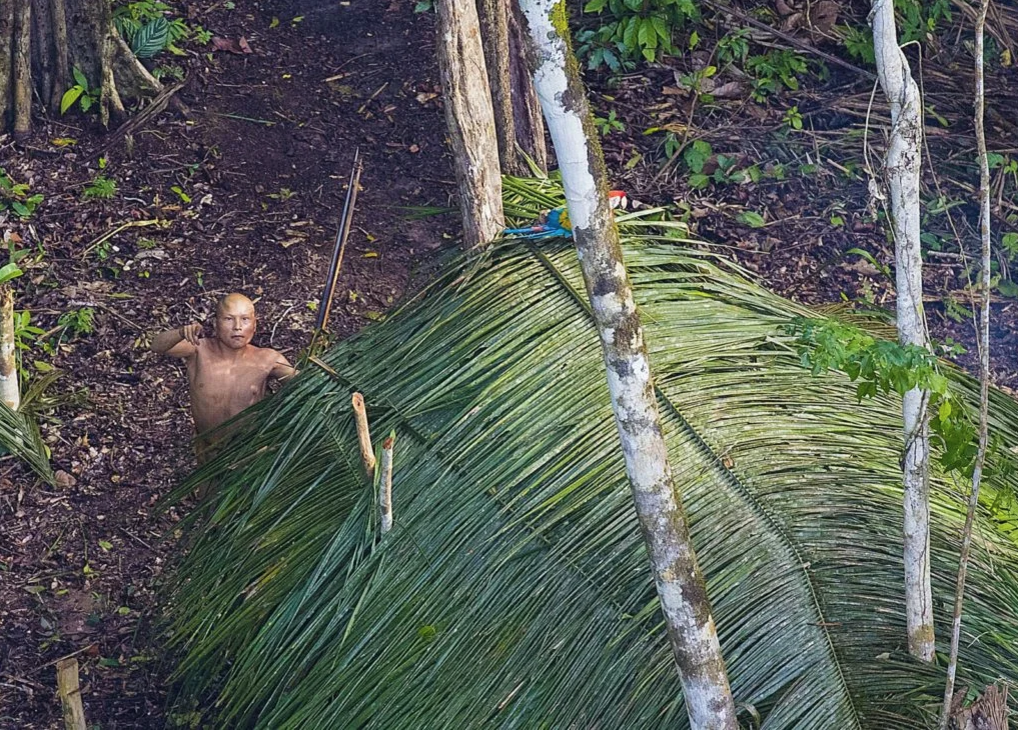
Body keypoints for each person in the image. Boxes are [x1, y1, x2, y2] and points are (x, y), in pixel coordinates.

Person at [151, 293, 297, 465]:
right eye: (229, 319)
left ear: (255, 325)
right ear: (216, 324)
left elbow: (304, 387)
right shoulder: (199, 350)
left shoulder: (269, 359)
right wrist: (181, 332)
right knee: (208, 491)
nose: (237, 327)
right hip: (208, 452)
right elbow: (156, 345)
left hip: (249, 453)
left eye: (245, 319)